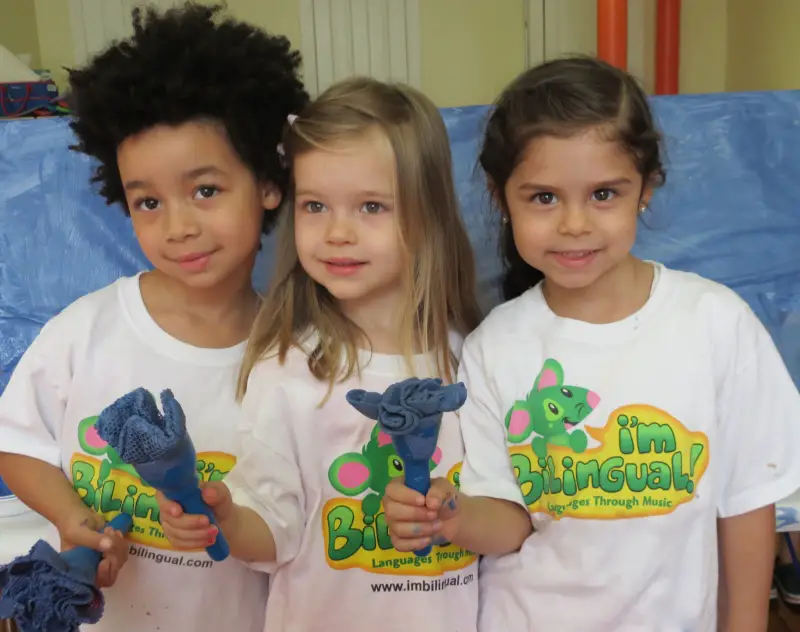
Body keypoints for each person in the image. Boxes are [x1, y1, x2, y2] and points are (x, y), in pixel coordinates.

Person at [383, 56, 800, 631]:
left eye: (603, 193)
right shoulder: (493, 348)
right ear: (500, 198)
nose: (575, 223)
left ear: (646, 188)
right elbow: (510, 522)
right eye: (544, 198)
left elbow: (749, 503)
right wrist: (447, 514)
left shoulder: (715, 324)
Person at [0, 3, 308, 631]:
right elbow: (17, 446)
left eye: (205, 190)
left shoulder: (298, 353)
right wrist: (70, 517)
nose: (179, 227)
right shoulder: (87, 331)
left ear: (269, 183)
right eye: (148, 201)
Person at [157, 76, 483, 631]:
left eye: (371, 207)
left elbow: (506, 521)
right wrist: (224, 517)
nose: (336, 233)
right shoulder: (287, 368)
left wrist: (452, 512)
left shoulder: (475, 357)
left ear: (428, 215)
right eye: (315, 205)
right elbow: (275, 533)